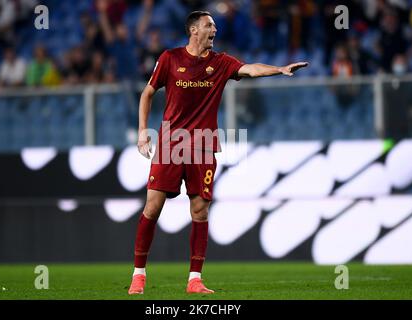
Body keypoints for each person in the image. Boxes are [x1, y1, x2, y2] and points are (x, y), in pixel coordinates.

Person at [128, 11, 308, 295]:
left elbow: (250, 69)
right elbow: (147, 93)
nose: (215, 29)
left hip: (203, 144)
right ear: (194, 30)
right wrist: (142, 131)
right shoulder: (170, 58)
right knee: (153, 206)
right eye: (209, 25)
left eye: (214, 26)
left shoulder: (221, 63)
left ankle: (194, 280)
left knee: (200, 211)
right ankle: (139, 275)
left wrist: (279, 69)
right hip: (170, 143)